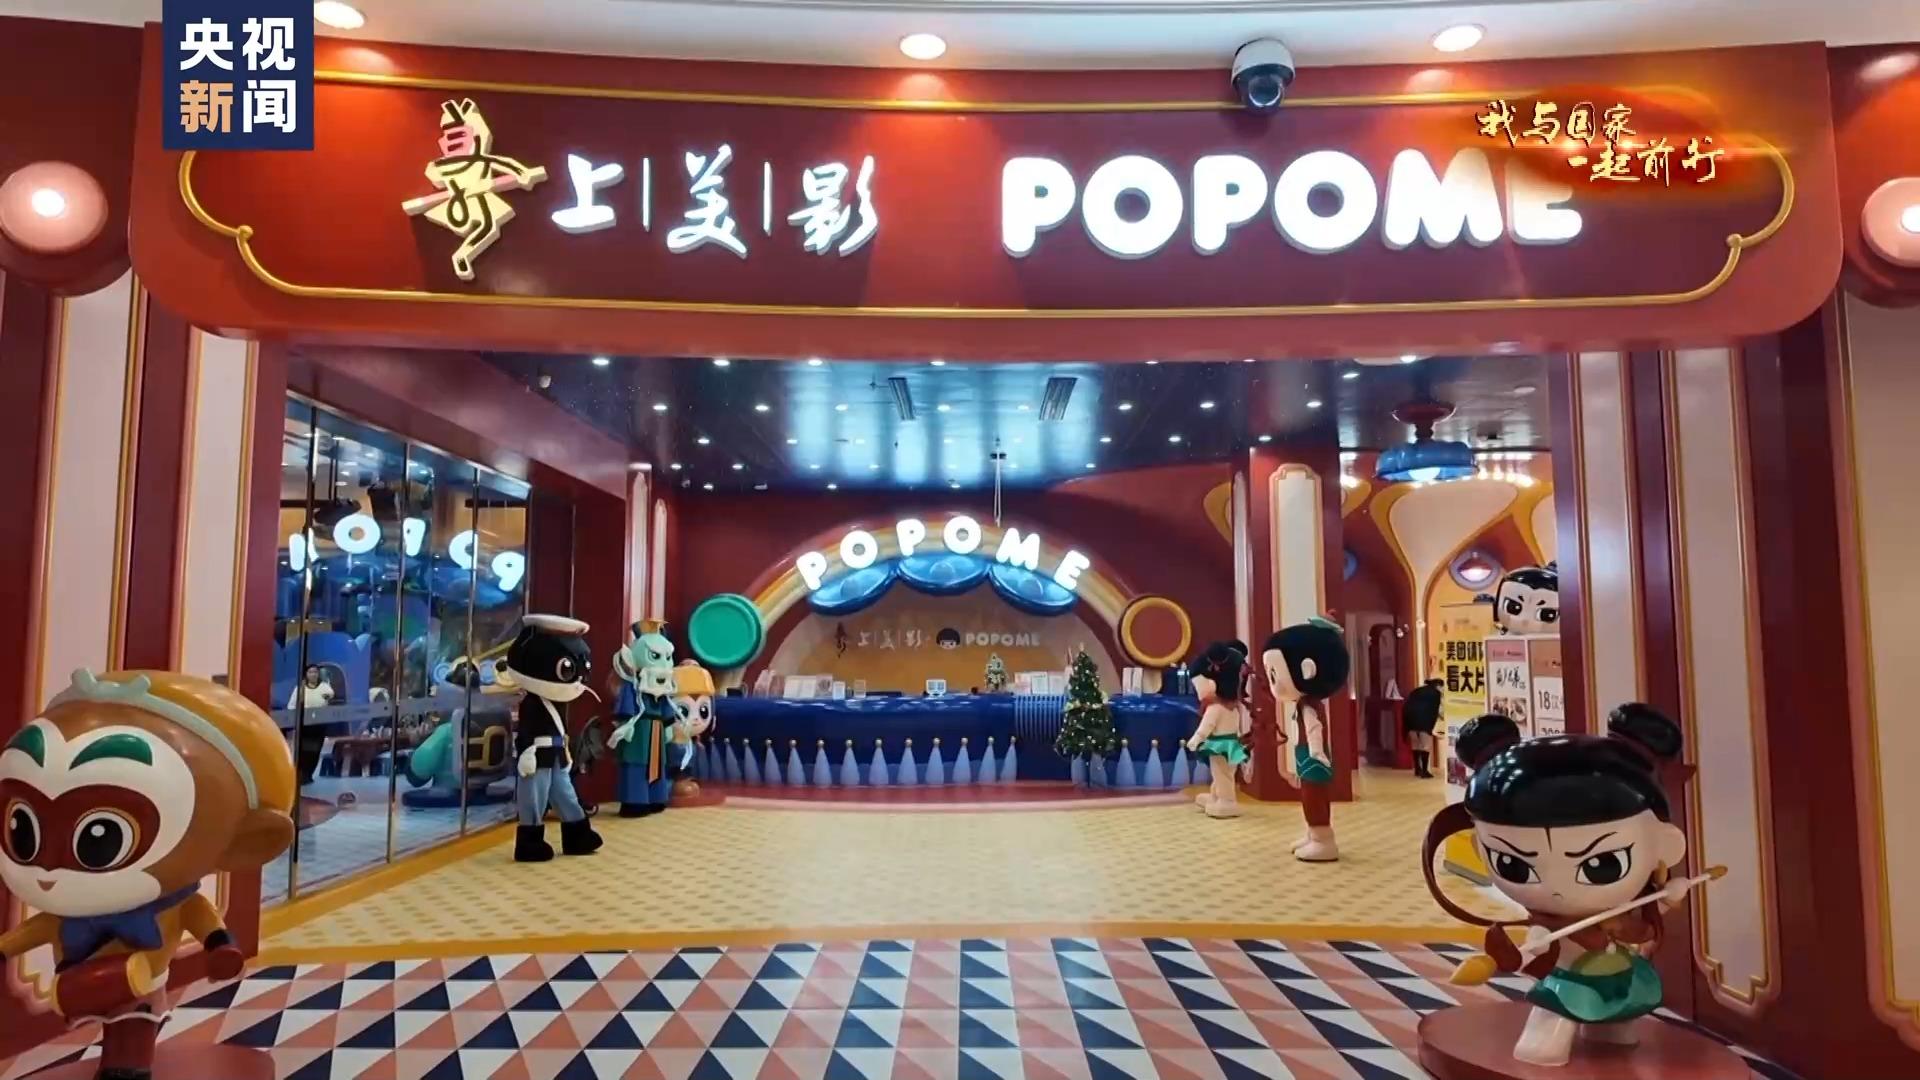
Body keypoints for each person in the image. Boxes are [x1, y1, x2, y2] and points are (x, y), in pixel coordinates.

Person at [0, 669, 297, 1080]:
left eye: (103, 837)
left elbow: (201, 916)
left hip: (141, 977)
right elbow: (38, 929)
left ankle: (128, 1068)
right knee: (112, 1020)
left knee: (133, 1025)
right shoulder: (68, 914)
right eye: (22, 830)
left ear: (243, 841)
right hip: (79, 978)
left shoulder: (175, 903)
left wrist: (219, 944)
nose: (49, 869)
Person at [1422, 705, 1701, 1067]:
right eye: (1512, 864)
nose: (1555, 889)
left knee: (1619, 1021)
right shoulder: (1548, 922)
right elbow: (1536, 950)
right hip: (1568, 977)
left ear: (1665, 844)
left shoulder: (1627, 910)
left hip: (1619, 970)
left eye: (1602, 863)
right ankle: (1546, 1040)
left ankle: (1610, 1034)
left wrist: (1670, 894)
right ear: (1481, 849)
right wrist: (1527, 948)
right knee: (1556, 1012)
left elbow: (1648, 918)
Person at [502, 615, 603, 862]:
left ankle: (577, 833)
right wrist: (526, 751)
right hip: (536, 755)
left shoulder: (557, 702)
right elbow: (527, 730)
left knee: (565, 793)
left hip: (556, 754)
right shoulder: (532, 702)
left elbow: (559, 730)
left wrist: (565, 753)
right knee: (533, 797)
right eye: (569, 670)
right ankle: (529, 841)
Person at [1262, 619, 1352, 862]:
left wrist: (1317, 753)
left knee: (1314, 798)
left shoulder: (1310, 706)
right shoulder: (1304, 704)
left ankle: (1323, 839)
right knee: (1308, 796)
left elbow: (1314, 730)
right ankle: (1313, 835)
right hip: (1306, 756)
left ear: (1307, 670)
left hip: (1313, 759)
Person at [1183, 641, 1251, 820]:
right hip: (1233, 745)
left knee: (1221, 774)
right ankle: (1216, 796)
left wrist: (1195, 740)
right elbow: (1235, 727)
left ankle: (1227, 801)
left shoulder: (1215, 709)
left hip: (1220, 745)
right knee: (1225, 774)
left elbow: (1206, 727)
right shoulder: (1234, 710)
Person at [1403, 677, 1444, 777]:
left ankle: (1417, 769)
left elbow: (1406, 706)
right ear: (1438, 686)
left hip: (1411, 721)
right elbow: (1435, 710)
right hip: (1424, 722)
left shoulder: (1416, 691)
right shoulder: (1435, 693)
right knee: (1425, 746)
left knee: (1415, 745)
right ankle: (1425, 771)